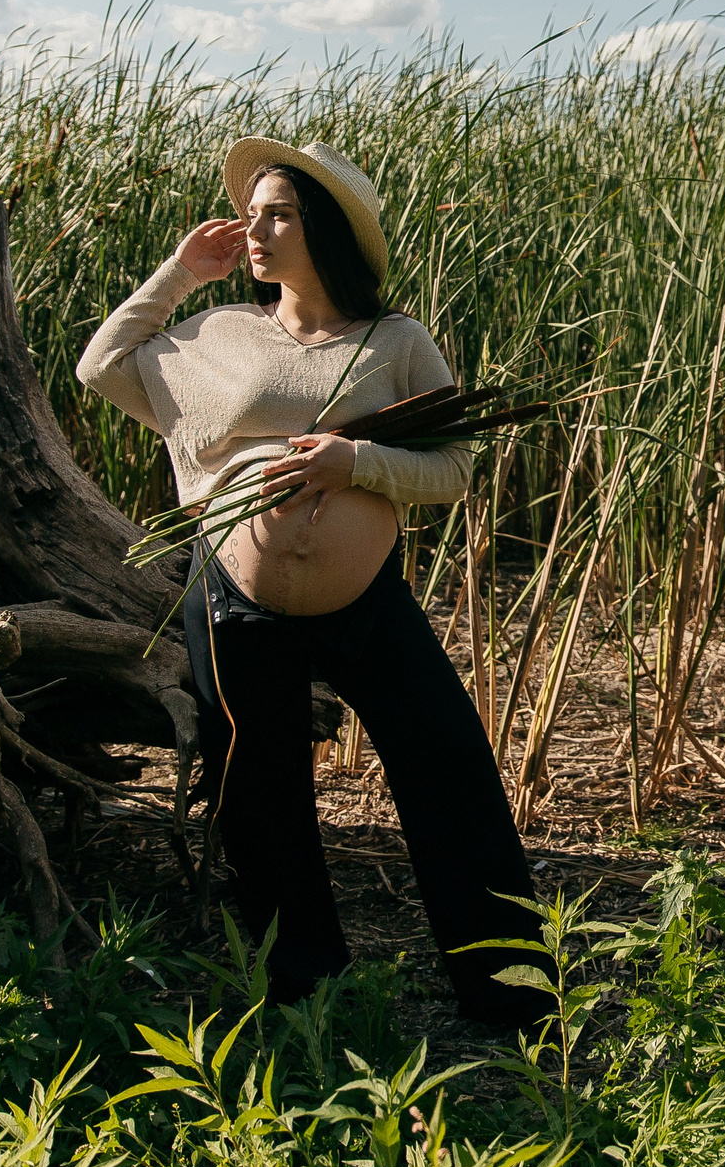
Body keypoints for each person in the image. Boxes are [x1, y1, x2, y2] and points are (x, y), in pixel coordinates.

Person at [75, 135, 541, 1022]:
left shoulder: (393, 341)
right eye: (250, 215)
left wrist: (355, 460)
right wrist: (179, 274)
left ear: (325, 228)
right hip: (233, 602)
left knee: (449, 773)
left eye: (277, 214)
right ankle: (303, 997)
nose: (255, 230)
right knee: (258, 794)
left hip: (368, 600)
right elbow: (99, 367)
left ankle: (513, 999)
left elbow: (456, 467)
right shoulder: (216, 335)